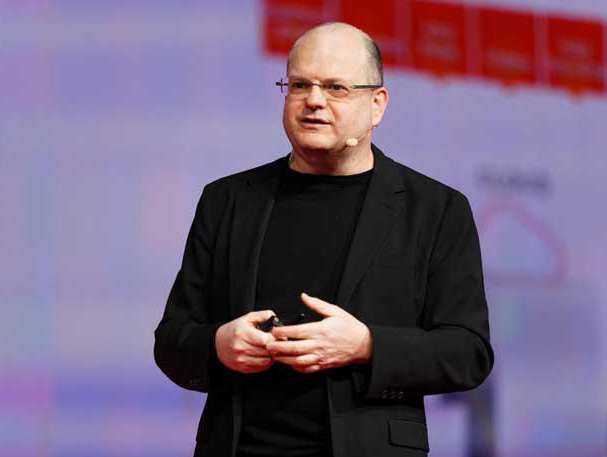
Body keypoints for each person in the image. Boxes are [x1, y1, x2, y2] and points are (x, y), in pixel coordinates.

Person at [154, 22, 494, 457]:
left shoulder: (435, 210)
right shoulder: (228, 201)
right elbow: (172, 340)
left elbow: (468, 353)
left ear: (377, 104)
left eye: (336, 88)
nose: (313, 100)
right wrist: (219, 345)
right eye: (299, 85)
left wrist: (366, 346)